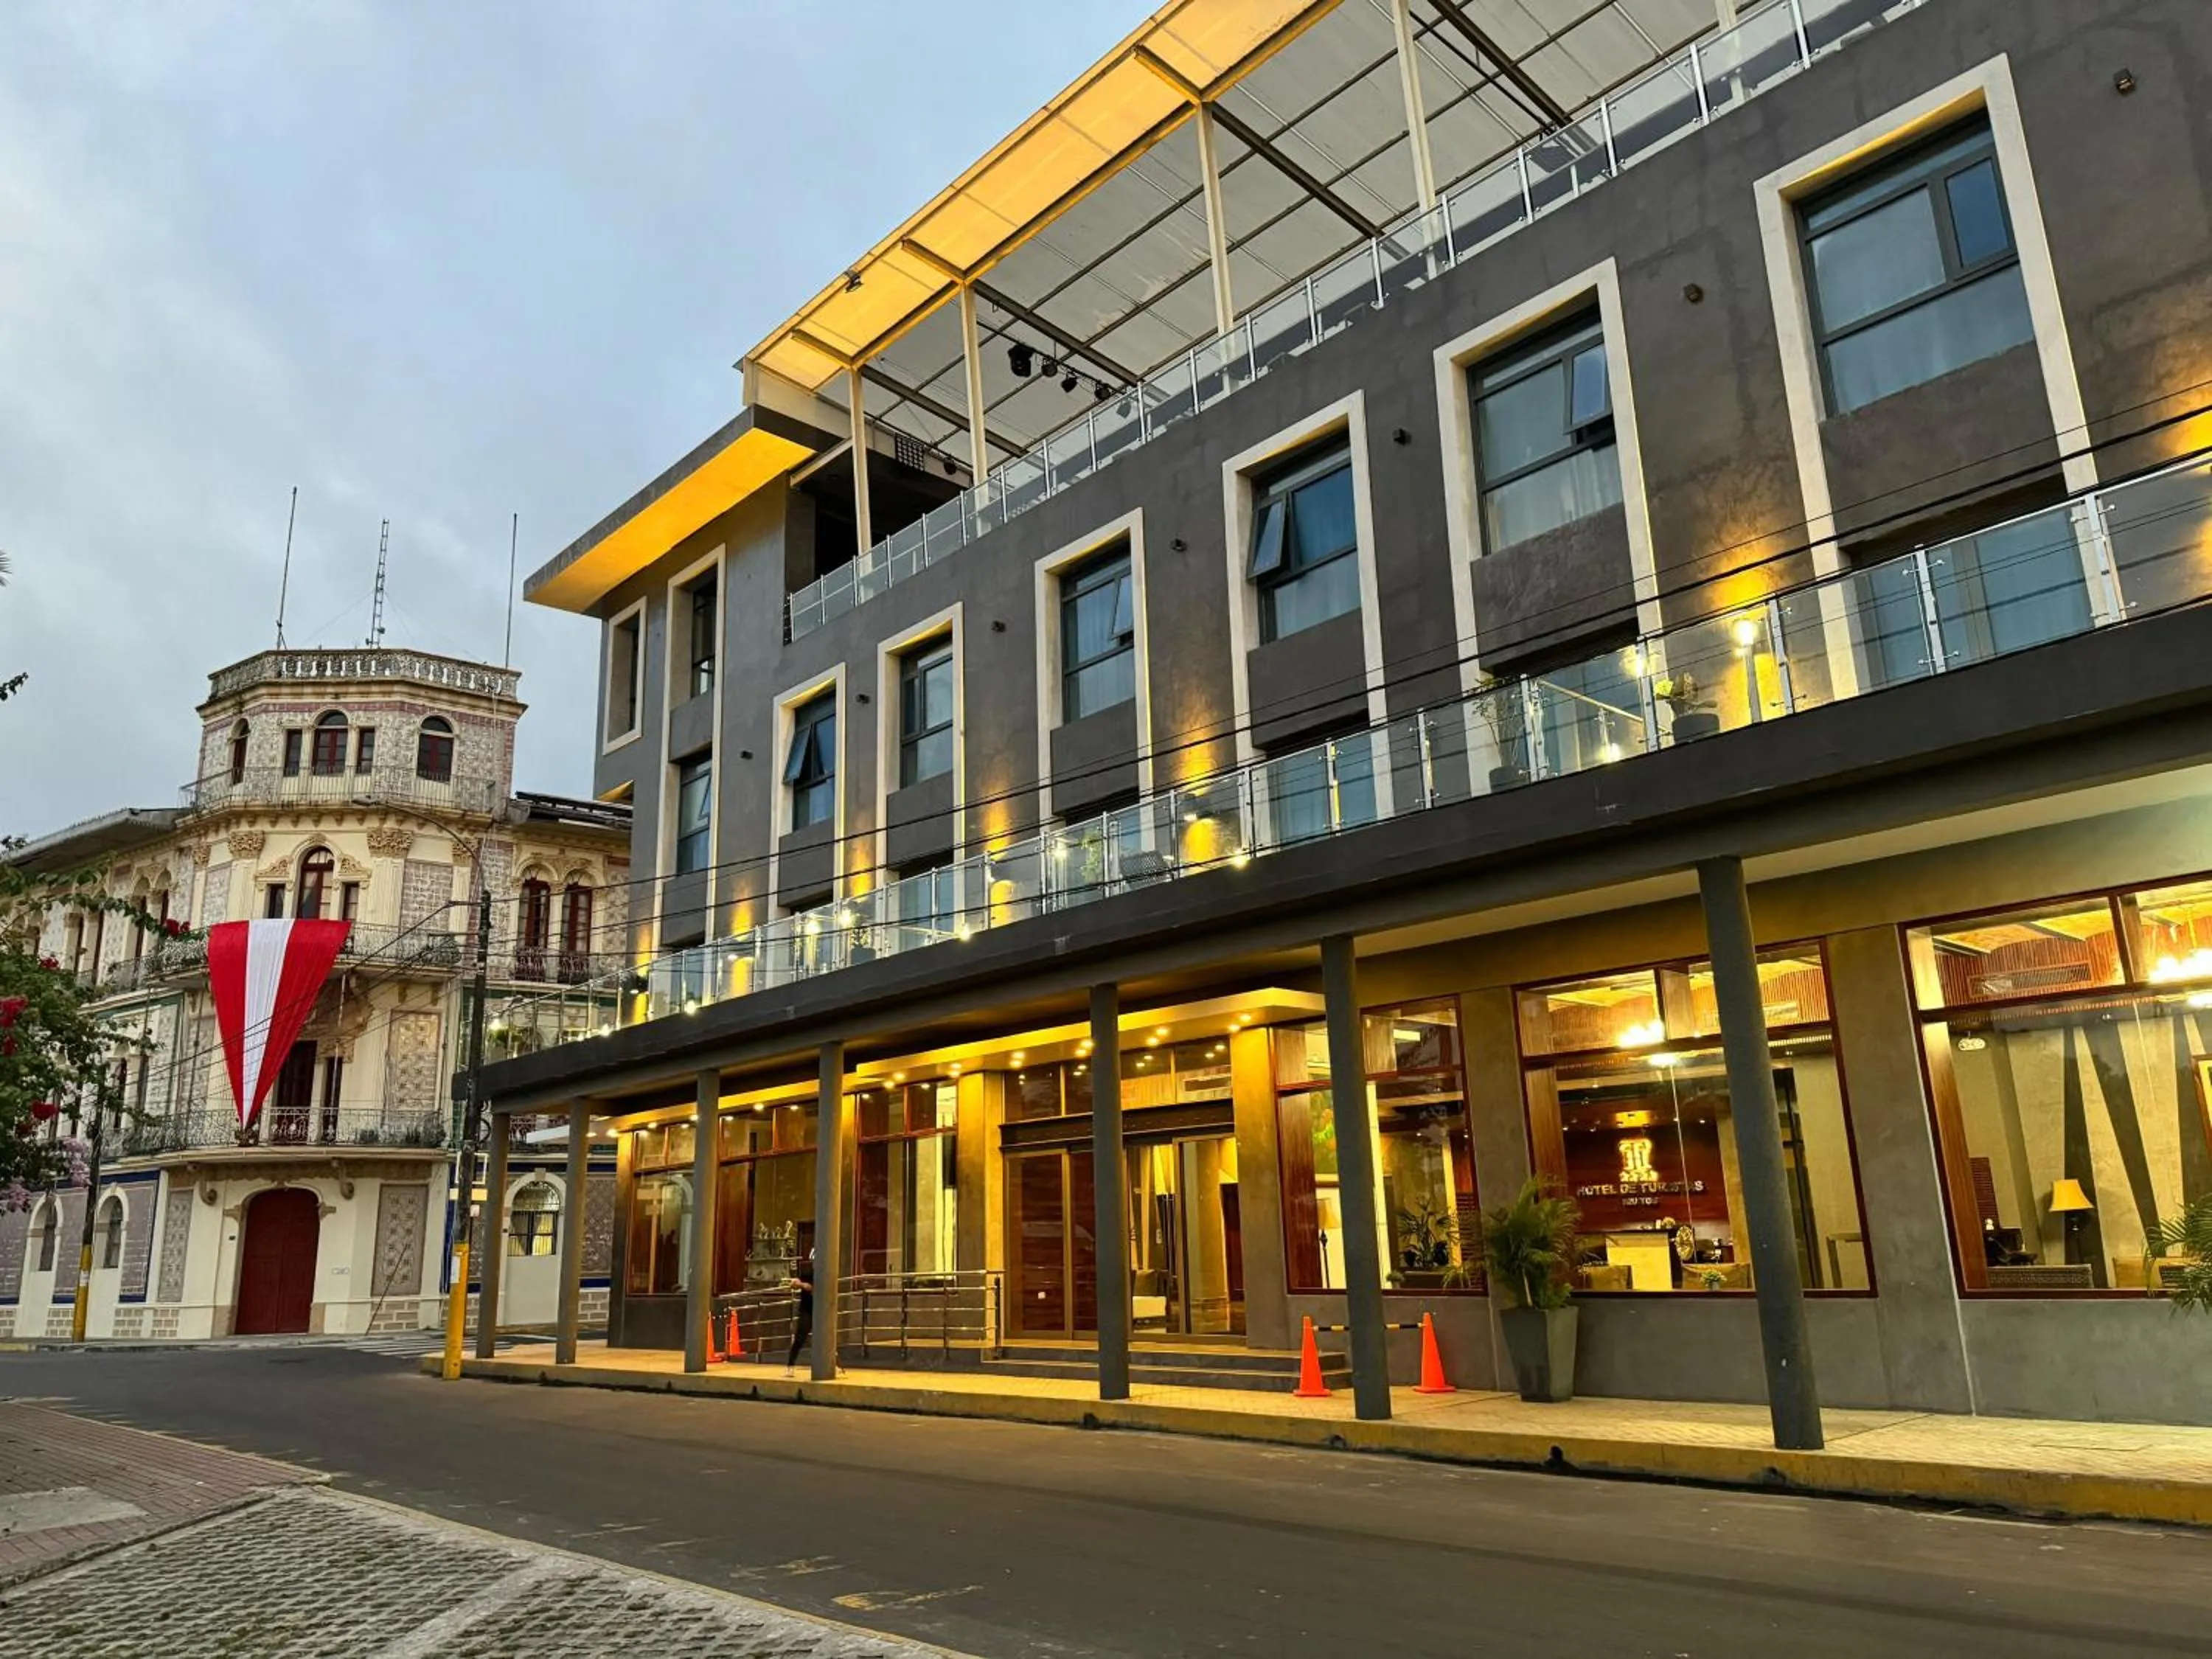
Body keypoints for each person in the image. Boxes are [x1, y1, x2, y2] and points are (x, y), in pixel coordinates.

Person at [785, 1251, 814, 1373]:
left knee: (827, 1338)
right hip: (807, 1309)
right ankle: (790, 1365)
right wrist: (797, 1283)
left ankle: (833, 1363)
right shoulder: (808, 1273)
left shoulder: (826, 1273)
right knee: (800, 1337)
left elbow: (812, 1288)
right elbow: (796, 1283)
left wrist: (805, 1286)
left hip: (822, 1310)